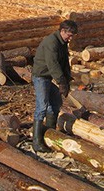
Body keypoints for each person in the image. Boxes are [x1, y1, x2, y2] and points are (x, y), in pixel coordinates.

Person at [31, 19, 78, 152]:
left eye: (72, 35)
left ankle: (49, 134)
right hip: (41, 76)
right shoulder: (51, 42)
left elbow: (64, 63)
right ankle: (36, 142)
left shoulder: (62, 43)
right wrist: (61, 81)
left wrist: (67, 79)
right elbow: (53, 64)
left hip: (49, 76)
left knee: (56, 104)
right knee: (42, 106)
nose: (71, 38)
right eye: (69, 35)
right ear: (62, 31)